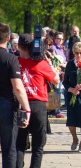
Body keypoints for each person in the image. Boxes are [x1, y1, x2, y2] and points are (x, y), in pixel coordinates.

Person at [16, 34, 59, 168]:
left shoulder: (14, 61)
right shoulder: (41, 64)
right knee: (38, 145)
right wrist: (50, 63)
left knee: (19, 144)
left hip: (20, 105)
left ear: (18, 46)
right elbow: (56, 80)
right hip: (38, 105)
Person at [0, 22, 31, 168]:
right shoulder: (10, 59)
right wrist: (27, 108)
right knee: (8, 149)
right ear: (8, 38)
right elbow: (18, 88)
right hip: (6, 105)